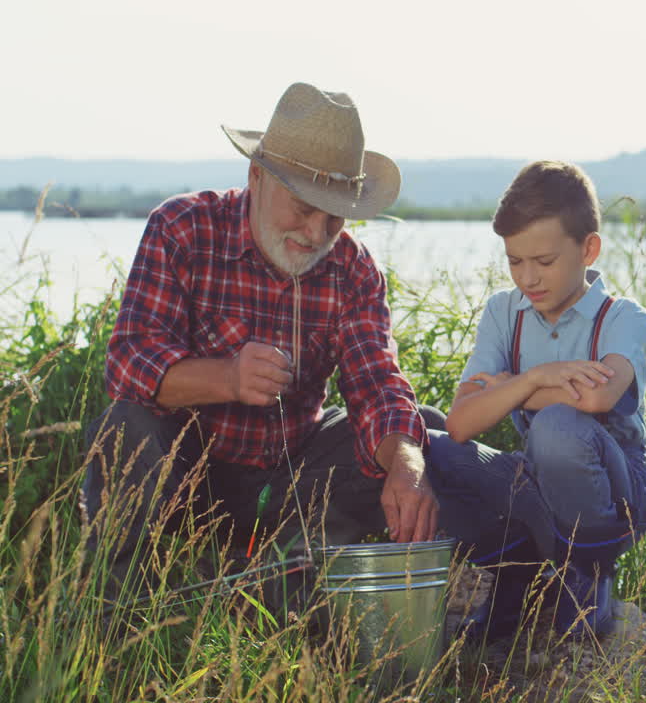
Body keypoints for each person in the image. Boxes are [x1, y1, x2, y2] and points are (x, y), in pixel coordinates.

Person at [81, 82, 442, 593]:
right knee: (125, 423)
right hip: (187, 481)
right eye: (302, 207)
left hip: (292, 480)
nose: (317, 233)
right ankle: (116, 606)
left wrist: (406, 462)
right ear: (256, 175)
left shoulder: (354, 268)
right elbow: (127, 363)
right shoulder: (183, 228)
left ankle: (281, 580)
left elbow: (377, 384)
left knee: (419, 433)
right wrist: (226, 377)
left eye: (334, 216)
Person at [426, 160, 646, 640]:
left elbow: (596, 397)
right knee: (427, 446)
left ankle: (590, 573)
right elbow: (463, 421)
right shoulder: (503, 312)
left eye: (544, 262)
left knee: (556, 426)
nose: (528, 278)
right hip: (536, 476)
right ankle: (517, 573)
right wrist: (535, 377)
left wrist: (508, 387)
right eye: (514, 261)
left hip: (615, 494)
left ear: (589, 249)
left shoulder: (624, 318)